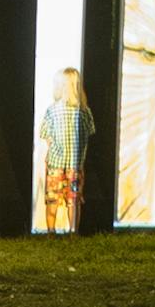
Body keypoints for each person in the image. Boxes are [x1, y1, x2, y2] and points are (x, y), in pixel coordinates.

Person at [39, 67, 95, 235]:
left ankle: (51, 232)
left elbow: (46, 135)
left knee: (52, 200)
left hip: (55, 163)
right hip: (75, 165)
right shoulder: (84, 111)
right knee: (74, 201)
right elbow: (89, 133)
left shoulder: (52, 110)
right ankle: (73, 232)